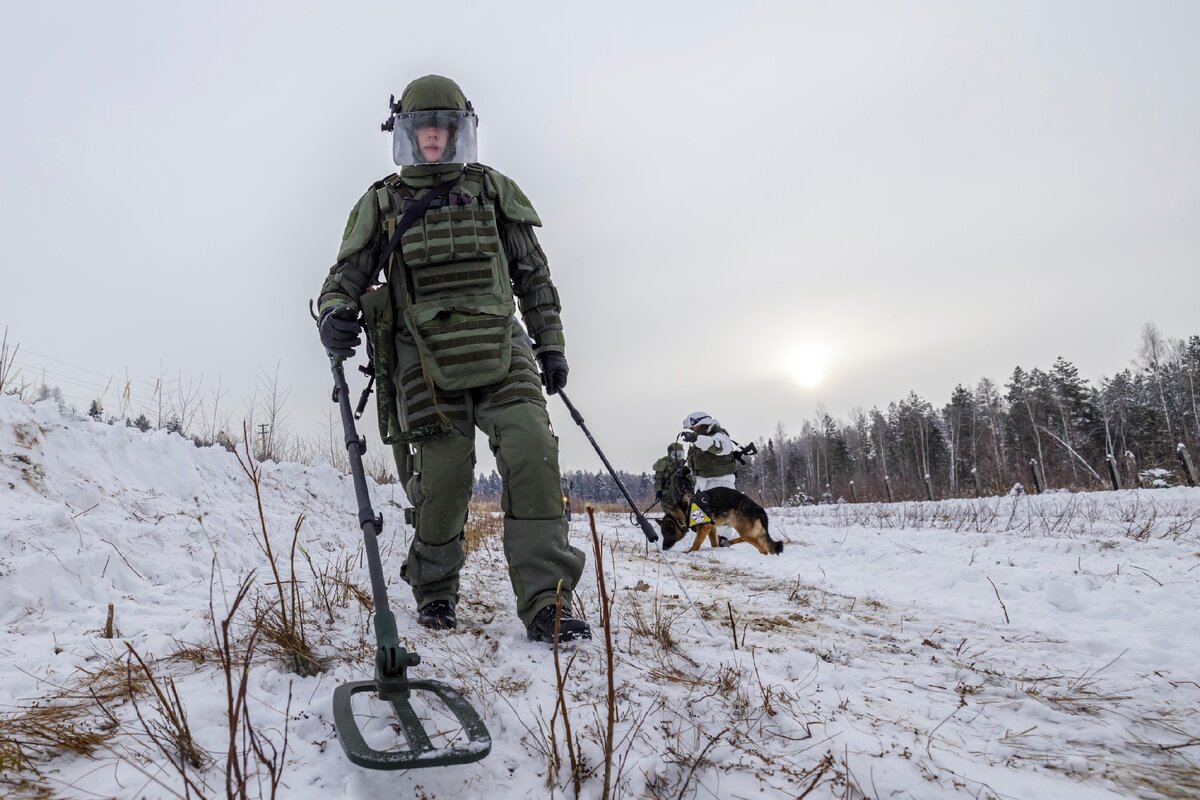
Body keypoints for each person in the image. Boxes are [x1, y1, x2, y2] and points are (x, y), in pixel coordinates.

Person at [316, 75, 589, 644]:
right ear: (407, 136)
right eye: (424, 131)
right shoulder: (383, 201)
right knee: (444, 473)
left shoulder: (492, 191)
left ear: (459, 132)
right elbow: (346, 275)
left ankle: (548, 601)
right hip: (421, 351)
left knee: (532, 448)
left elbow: (533, 275)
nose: (435, 140)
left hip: (499, 341)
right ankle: (436, 589)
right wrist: (337, 311)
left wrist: (550, 342)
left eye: (444, 129)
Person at [680, 412, 738, 491]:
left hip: (720, 485)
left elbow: (716, 447)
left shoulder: (720, 436)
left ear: (704, 424)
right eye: (692, 429)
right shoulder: (699, 442)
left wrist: (696, 439)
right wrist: (687, 470)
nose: (693, 430)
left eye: (696, 427)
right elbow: (699, 462)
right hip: (702, 485)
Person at [651, 442, 694, 512]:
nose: (678, 457)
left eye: (680, 455)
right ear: (670, 454)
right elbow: (658, 479)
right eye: (675, 455)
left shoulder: (684, 463)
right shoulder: (664, 463)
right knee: (671, 513)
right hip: (667, 493)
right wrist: (658, 490)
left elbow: (693, 481)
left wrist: (687, 474)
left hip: (680, 493)